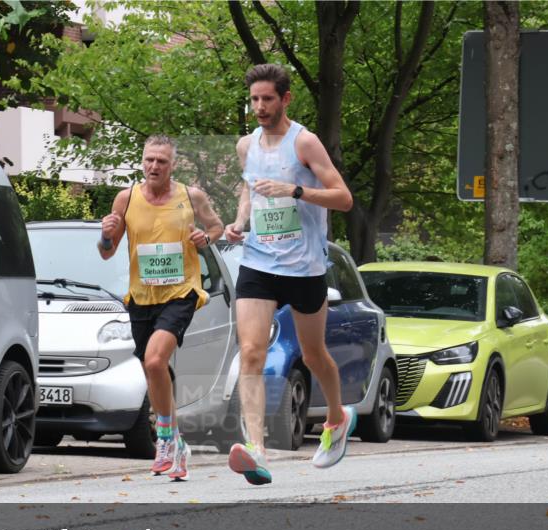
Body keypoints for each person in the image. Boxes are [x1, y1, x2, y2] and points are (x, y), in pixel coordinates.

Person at [223, 64, 355, 486]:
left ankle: (336, 418)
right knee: (251, 351)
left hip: (304, 266)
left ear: (285, 99)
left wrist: (296, 190)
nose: (259, 107)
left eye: (267, 99)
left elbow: (344, 198)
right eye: (254, 99)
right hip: (259, 261)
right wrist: (239, 222)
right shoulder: (246, 145)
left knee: (313, 354)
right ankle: (256, 449)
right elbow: (249, 189)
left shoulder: (305, 143)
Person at [98, 134, 224, 481]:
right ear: (142, 161)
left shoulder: (191, 196)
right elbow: (107, 251)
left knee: (155, 360)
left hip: (181, 292)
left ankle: (165, 438)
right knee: (152, 370)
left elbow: (216, 227)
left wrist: (205, 238)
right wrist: (106, 234)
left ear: (173, 165)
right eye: (149, 160)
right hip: (141, 296)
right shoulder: (126, 198)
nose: (154, 166)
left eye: (162, 161)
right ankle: (177, 443)